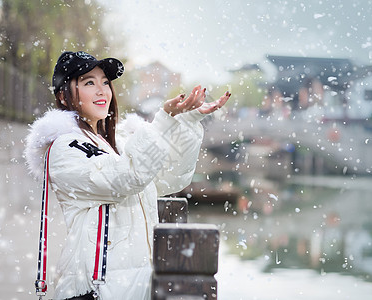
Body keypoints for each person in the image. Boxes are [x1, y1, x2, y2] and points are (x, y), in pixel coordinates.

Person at [24, 51, 230, 300]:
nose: (102, 91)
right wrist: (162, 121)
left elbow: (170, 178)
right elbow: (128, 178)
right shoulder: (66, 147)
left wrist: (186, 120)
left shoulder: (113, 145)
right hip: (95, 289)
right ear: (63, 97)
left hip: (131, 286)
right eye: (89, 82)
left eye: (105, 83)